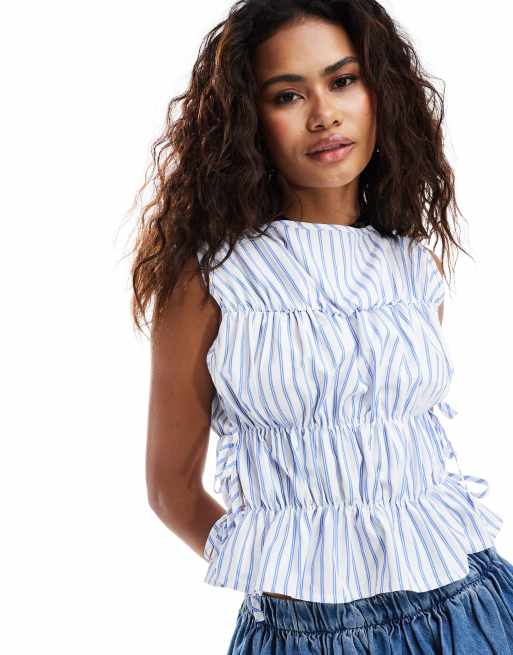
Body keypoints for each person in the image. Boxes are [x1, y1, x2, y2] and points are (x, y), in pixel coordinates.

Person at [130, 0, 513, 652]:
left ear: (378, 92)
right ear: (250, 119)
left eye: (342, 81)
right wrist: (278, 576)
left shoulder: (410, 264)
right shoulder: (209, 281)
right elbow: (170, 490)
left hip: (467, 606)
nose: (323, 114)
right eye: (287, 95)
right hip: (305, 633)